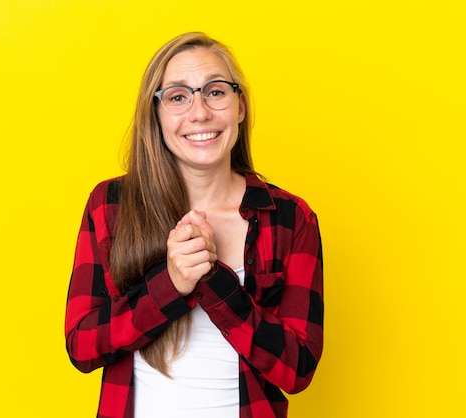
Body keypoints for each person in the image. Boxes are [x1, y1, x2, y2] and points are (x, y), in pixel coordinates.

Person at [65, 32, 324, 418]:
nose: (199, 112)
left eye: (216, 92)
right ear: (156, 113)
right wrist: (170, 283)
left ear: (240, 107)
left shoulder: (290, 218)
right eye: (178, 96)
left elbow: (298, 368)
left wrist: (215, 281)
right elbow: (83, 346)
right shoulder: (111, 206)